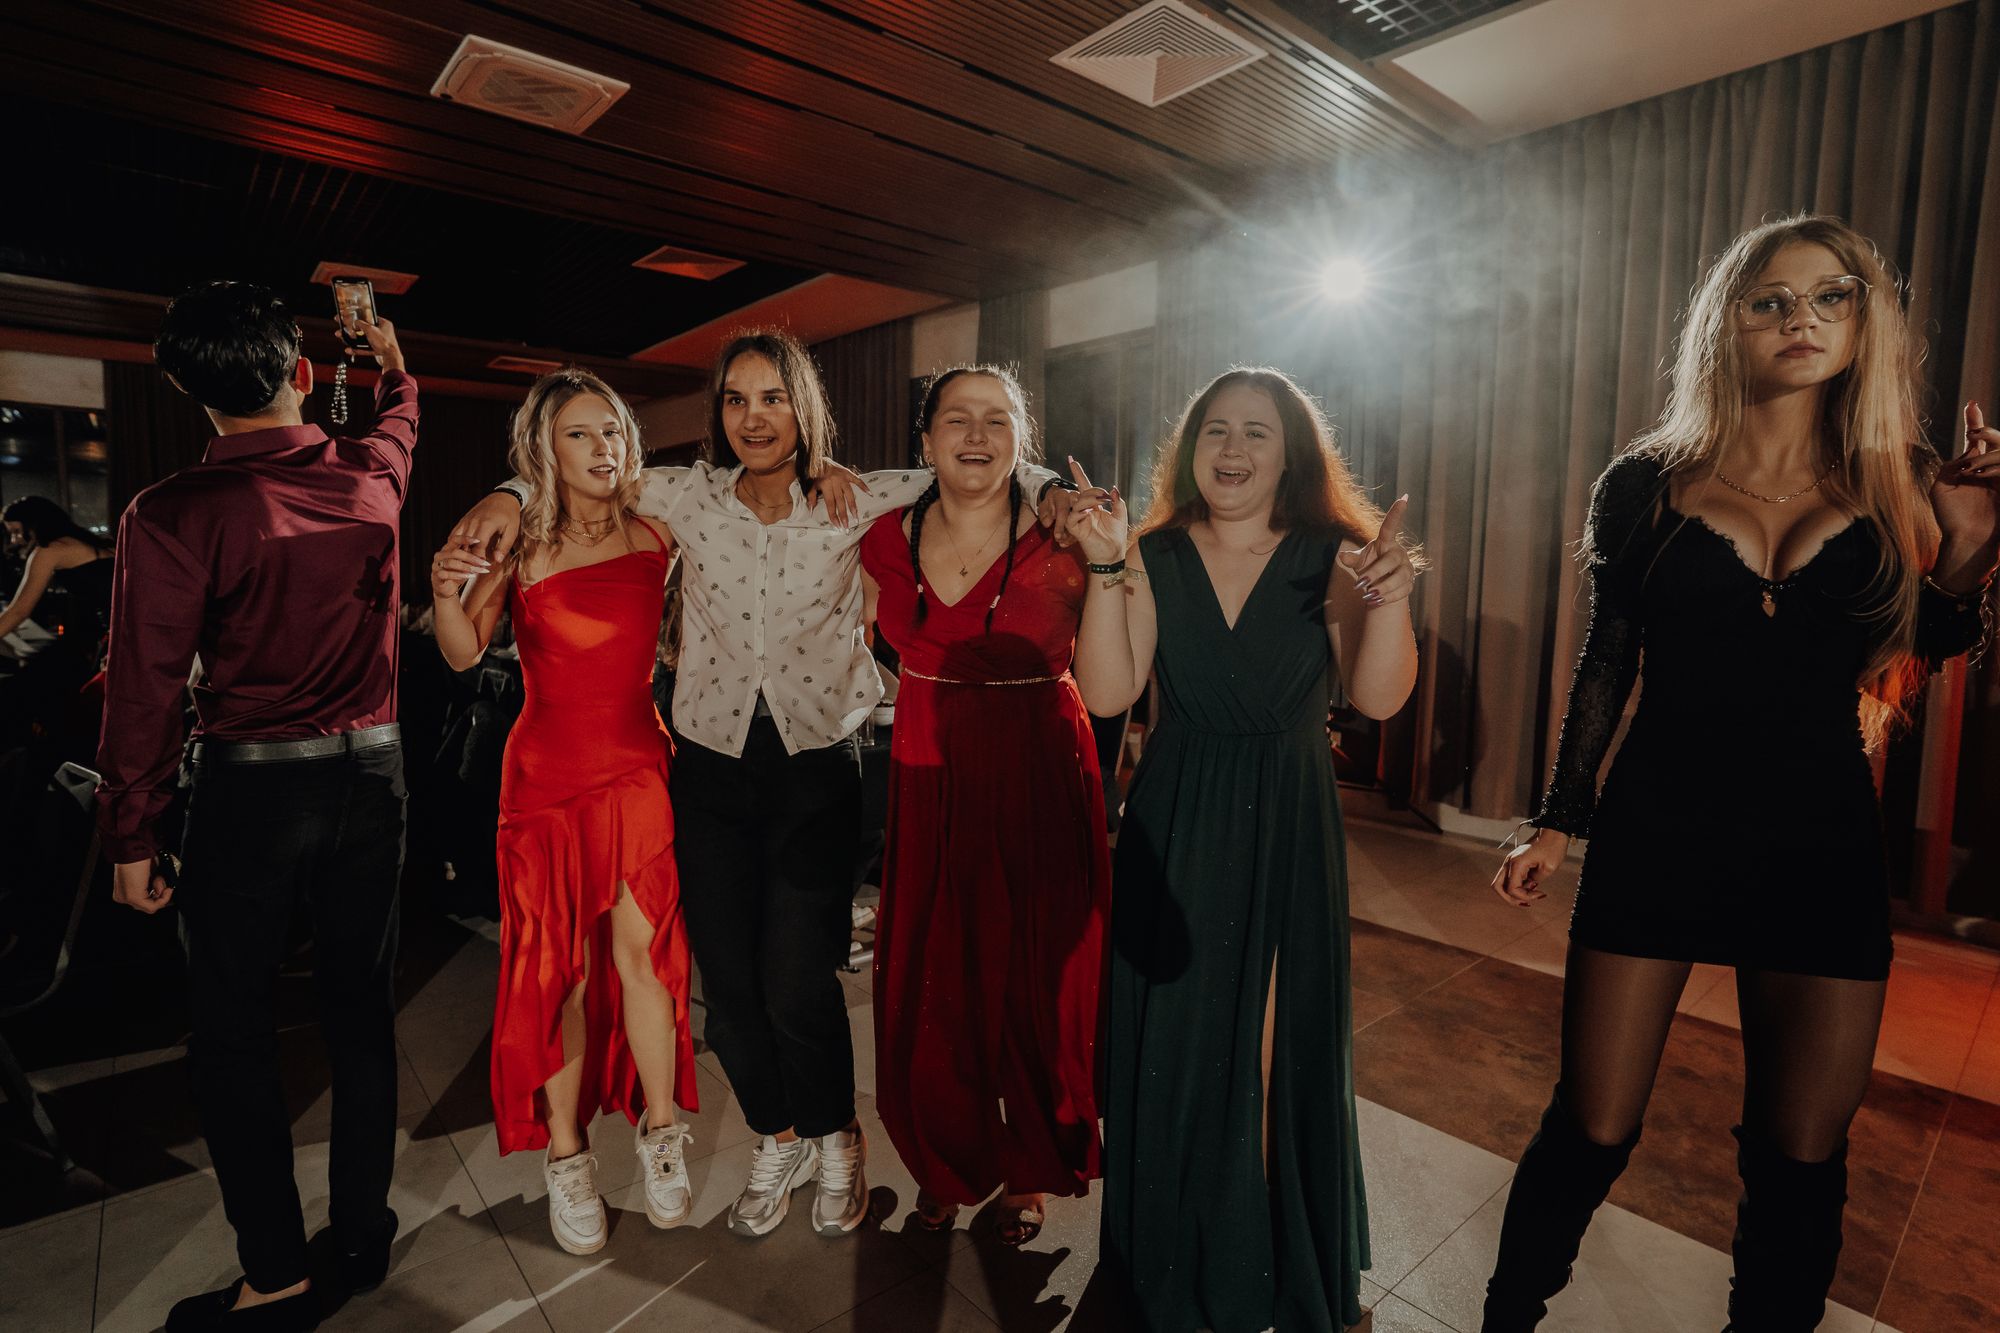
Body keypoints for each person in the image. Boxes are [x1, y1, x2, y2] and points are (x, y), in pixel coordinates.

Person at [1482, 215, 1998, 1333]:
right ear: (1728, 323)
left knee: (1799, 1153)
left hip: (1819, 842)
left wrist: (1965, 548)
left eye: (1829, 296)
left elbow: (1919, 644)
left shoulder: (1899, 480)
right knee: (1592, 1125)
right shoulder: (1646, 482)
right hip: (1657, 828)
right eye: (1770, 299)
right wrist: (1557, 821)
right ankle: (1506, 1317)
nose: (1799, 318)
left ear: (1862, 322)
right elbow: (1607, 660)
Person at [445, 329, 1073, 1239]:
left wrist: (1053, 489)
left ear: (802, 408)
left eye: (773, 397)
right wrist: (504, 495)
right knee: (730, 992)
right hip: (710, 767)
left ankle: (836, 1135)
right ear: (719, 414)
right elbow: (580, 470)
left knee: (795, 978)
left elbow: (975, 464)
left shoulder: (855, 496)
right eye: (736, 399)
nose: (754, 416)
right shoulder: (684, 497)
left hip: (817, 766)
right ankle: (779, 1135)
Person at [1071, 366, 1421, 1332]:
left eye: (1256, 431)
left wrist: (1391, 598)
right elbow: (1108, 693)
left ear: (1290, 451)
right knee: (1176, 1054)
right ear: (1190, 449)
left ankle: (1267, 1261)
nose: (1232, 448)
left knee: (1268, 1058)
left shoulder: (1333, 556)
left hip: (1287, 824)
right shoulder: (1150, 552)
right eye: (1215, 429)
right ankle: (1176, 1258)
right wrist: (1103, 568)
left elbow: (1379, 697)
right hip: (1176, 822)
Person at [96, 281, 416, 1332]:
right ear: (303, 373)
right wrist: (389, 362)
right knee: (359, 1014)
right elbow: (401, 418)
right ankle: (361, 1237)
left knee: (233, 1033)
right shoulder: (372, 475)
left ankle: (275, 1276)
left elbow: (144, 685)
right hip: (373, 778)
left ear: (190, 391)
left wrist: (132, 831)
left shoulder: (171, 511)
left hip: (250, 790)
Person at [430, 369, 699, 1256]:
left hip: (638, 770)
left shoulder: (658, 530)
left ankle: (662, 1132)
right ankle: (568, 1155)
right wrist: (445, 591)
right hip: (545, 784)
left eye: (612, 430)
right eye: (579, 434)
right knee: (563, 975)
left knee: (647, 959)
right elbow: (462, 653)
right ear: (544, 448)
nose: (602, 447)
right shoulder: (523, 545)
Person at [857, 365, 1111, 1244]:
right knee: (939, 973)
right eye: (957, 419)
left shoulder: (1066, 533)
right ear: (925, 440)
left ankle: (1031, 1166)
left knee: (1034, 978)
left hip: (1039, 769)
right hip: (930, 773)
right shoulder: (882, 535)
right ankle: (947, 1158)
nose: (975, 435)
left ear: (1020, 440)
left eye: (996, 420)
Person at [0, 496, 114, 746]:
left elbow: (19, 611)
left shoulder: (50, 550)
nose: (15, 540)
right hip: (123, 630)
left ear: (34, 525)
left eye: (17, 532)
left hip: (118, 635)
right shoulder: (86, 542)